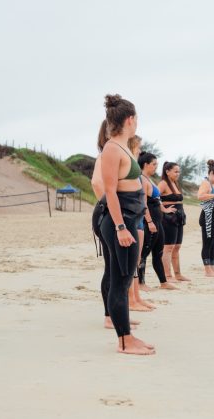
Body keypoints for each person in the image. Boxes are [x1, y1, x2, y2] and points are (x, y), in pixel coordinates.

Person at [96, 93, 154, 355]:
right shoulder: (111, 148)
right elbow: (110, 191)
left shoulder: (122, 148)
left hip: (130, 219)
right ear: (130, 120)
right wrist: (120, 228)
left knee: (125, 277)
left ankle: (127, 336)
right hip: (121, 223)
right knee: (120, 281)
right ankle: (123, 342)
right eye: (137, 118)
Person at [91, 120, 140, 330]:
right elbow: (96, 183)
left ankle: (117, 315)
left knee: (115, 270)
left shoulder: (119, 151)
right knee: (112, 270)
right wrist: (112, 209)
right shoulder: (106, 154)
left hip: (121, 215)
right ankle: (109, 316)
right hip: (111, 216)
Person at [137, 151, 177, 290]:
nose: (156, 167)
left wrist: (164, 210)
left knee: (158, 253)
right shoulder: (141, 179)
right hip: (150, 222)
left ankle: (163, 282)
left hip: (158, 221)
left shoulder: (150, 179)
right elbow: (143, 203)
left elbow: (156, 199)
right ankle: (140, 283)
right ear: (146, 164)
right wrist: (149, 222)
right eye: (154, 164)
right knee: (144, 253)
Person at [126, 135, 155, 311]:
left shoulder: (135, 168)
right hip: (131, 217)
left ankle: (136, 297)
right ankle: (131, 299)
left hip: (138, 219)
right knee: (131, 262)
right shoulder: (128, 165)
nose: (140, 150)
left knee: (137, 261)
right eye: (138, 148)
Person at [159, 162, 190, 281]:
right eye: (176, 171)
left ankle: (178, 274)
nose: (178, 173)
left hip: (179, 218)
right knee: (168, 247)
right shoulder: (163, 183)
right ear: (167, 171)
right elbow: (153, 196)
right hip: (168, 219)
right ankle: (167, 275)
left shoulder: (174, 183)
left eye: (179, 171)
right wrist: (164, 209)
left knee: (177, 246)